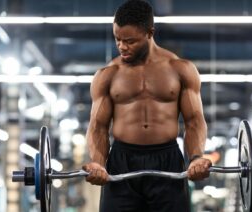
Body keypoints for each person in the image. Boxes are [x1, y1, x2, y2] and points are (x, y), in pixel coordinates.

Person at [82, 0, 211, 211]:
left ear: (150, 33)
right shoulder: (107, 75)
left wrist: (196, 158)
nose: (122, 46)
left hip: (167, 159)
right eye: (117, 39)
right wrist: (97, 162)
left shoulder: (180, 69)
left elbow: (194, 120)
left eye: (130, 41)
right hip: (121, 160)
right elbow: (98, 126)